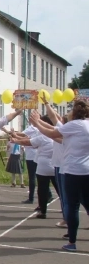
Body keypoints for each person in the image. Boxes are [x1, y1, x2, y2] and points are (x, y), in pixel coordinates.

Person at [29, 101, 89, 252]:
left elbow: (51, 132)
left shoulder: (75, 125)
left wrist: (37, 122)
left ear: (75, 113)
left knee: (71, 206)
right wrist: (40, 123)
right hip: (86, 171)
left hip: (73, 171)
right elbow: (59, 136)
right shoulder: (85, 126)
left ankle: (72, 242)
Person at [11, 114, 58, 219]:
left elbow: (28, 142)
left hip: (44, 166)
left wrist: (15, 140)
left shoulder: (44, 137)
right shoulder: (58, 135)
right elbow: (29, 140)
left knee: (42, 189)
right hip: (55, 165)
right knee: (59, 189)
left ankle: (43, 211)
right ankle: (65, 210)